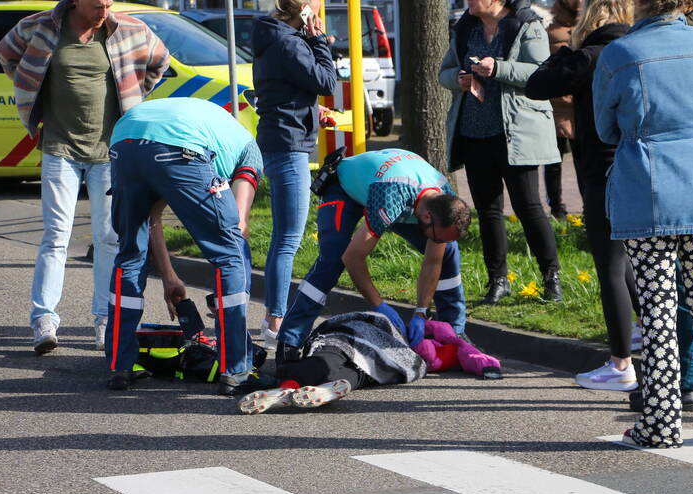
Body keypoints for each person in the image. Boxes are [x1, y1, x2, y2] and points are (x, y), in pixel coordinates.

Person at [594, 0, 693, 447]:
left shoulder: (620, 54)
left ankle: (661, 424)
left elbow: (606, 128)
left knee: (658, 311)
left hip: (647, 190)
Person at [0, 0, 169, 355]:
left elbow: (160, 60)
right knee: (56, 236)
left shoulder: (129, 29)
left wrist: (135, 92)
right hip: (59, 148)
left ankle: (104, 321)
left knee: (108, 237)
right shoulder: (41, 27)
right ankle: (44, 320)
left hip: (109, 152)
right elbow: (5, 54)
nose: (104, 9)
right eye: (96, 3)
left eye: (108, 3)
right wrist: (28, 84)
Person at [103, 98, 271, 395]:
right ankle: (237, 370)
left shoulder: (213, 126)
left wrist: (169, 277)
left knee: (129, 254)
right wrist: (224, 300)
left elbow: (151, 216)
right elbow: (238, 228)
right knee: (230, 254)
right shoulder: (250, 150)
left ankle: (120, 364)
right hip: (179, 145)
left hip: (124, 141)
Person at [525, 0, 640, 392]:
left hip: (600, 170)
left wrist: (565, 53)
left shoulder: (589, 56)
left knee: (609, 263)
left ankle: (621, 362)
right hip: (637, 168)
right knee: (631, 261)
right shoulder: (638, 47)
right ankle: (647, 336)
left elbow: (537, 84)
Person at [275, 148, 472, 360]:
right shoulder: (391, 197)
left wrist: (421, 312)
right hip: (345, 188)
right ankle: (290, 340)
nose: (438, 241)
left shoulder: (446, 199)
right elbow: (353, 257)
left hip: (399, 193)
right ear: (426, 217)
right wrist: (379, 305)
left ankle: (454, 333)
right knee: (333, 258)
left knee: (448, 252)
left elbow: (434, 261)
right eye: (439, 236)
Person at [440, 0, 562, 306]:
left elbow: (540, 72)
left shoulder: (526, 25)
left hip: (515, 132)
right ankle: (497, 281)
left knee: (528, 207)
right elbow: (443, 72)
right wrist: (458, 80)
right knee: (488, 210)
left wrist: (499, 68)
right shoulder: (465, 27)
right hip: (473, 132)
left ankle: (551, 278)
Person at [252, 0, 337, 344]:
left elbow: (289, 87)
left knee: (283, 238)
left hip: (281, 136)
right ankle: (275, 323)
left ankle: (275, 317)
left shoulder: (274, 36)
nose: (319, 13)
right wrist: (319, 42)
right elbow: (327, 81)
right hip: (289, 145)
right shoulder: (288, 42)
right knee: (287, 239)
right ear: (303, 11)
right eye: (315, 7)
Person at [239, 311, 427, 414]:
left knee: (331, 353)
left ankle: (288, 386)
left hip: (353, 333)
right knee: (360, 371)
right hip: (373, 345)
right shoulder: (412, 337)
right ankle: (332, 388)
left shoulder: (402, 327)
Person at [542, 0, 581, 222]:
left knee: (555, 162)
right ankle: (561, 206)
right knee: (574, 161)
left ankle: (557, 207)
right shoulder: (580, 30)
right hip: (567, 105)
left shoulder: (552, 30)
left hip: (559, 104)